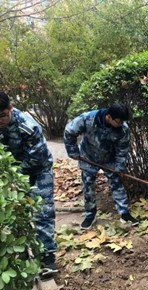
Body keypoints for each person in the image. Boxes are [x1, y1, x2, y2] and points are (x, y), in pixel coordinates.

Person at [0, 91, 58, 277]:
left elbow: (37, 159)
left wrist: (15, 177)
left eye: (2, 116)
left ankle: (48, 258)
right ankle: (21, 255)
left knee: (42, 212)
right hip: (13, 173)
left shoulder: (28, 127)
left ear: (10, 108)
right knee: (14, 212)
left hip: (38, 170)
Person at [64, 103, 139, 230]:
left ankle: (124, 213)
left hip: (109, 158)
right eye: (118, 121)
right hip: (88, 157)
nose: (121, 124)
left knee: (117, 182)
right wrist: (73, 152)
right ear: (109, 117)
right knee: (88, 185)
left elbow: (122, 149)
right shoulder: (88, 119)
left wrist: (120, 167)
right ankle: (90, 215)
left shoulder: (123, 129)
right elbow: (69, 131)